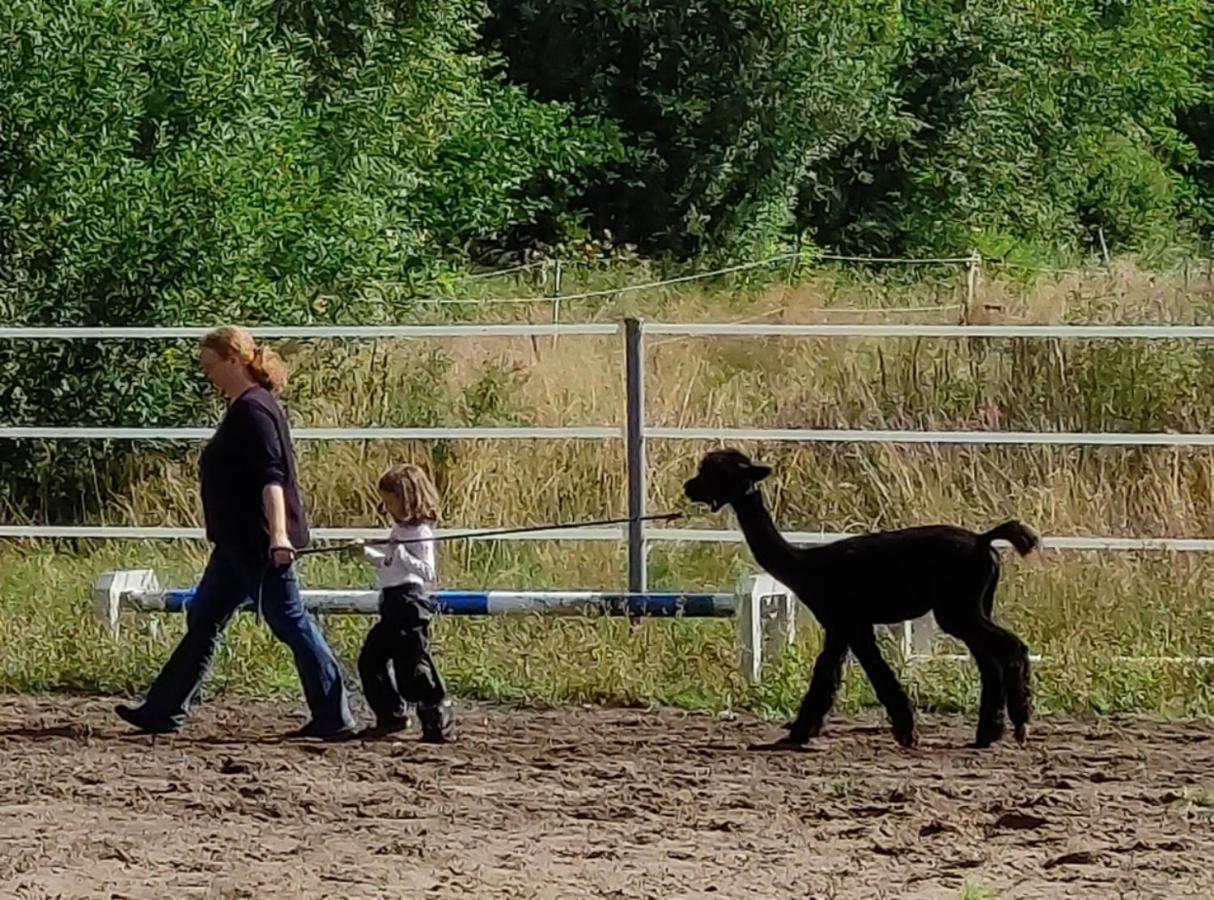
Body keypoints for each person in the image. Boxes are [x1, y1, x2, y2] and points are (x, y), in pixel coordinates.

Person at [115, 326, 355, 740]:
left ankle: (334, 714)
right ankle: (163, 709)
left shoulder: (253, 411)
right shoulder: (248, 407)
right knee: (205, 618)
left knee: (290, 621)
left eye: (210, 366)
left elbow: (272, 477)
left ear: (232, 359)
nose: (206, 375)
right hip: (234, 545)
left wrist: (278, 535)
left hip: (257, 544)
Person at [353, 463, 454, 742]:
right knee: (370, 661)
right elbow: (390, 563)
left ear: (407, 498)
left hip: (410, 604)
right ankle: (391, 714)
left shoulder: (420, 532)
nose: (386, 508)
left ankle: (436, 716)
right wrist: (367, 554)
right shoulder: (398, 531)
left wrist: (400, 554)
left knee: (414, 667)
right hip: (392, 604)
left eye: (390, 501)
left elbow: (428, 572)